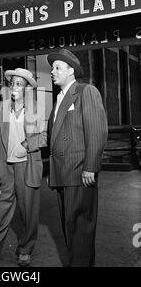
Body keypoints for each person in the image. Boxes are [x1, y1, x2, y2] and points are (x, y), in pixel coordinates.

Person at [0, 68, 47, 267]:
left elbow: (45, 137)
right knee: (0, 210)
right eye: (12, 83)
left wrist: (26, 144)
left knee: (28, 211)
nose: (14, 87)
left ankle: (25, 250)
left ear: (27, 89)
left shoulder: (36, 109)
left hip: (27, 166)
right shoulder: (1, 108)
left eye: (19, 84)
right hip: (6, 167)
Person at [47, 48, 108, 267]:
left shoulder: (85, 91)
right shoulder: (60, 98)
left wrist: (90, 167)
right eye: (52, 68)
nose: (52, 71)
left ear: (71, 70)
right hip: (64, 174)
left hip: (80, 173)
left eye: (57, 68)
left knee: (80, 230)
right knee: (70, 229)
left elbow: (97, 131)